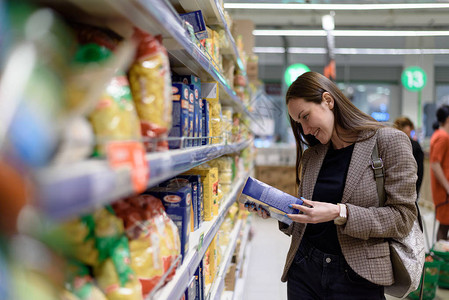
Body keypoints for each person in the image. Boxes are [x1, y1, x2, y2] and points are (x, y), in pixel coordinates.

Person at [248, 72, 418, 299]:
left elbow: (403, 217)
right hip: (304, 270)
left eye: (305, 116)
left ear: (328, 101)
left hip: (358, 276)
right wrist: (277, 213)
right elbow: (312, 219)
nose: (305, 130)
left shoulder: (388, 142)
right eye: (299, 123)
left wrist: (340, 212)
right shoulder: (313, 156)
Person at [429, 105, 449, 241]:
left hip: (443, 188)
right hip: (444, 190)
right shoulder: (443, 137)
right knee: (444, 226)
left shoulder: (438, 134)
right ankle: (441, 258)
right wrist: (447, 187)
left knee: (444, 226)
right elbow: (435, 164)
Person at [393, 116, 424, 197]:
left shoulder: (392, 144)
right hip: (409, 184)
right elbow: (419, 170)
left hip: (396, 185)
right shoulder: (414, 145)